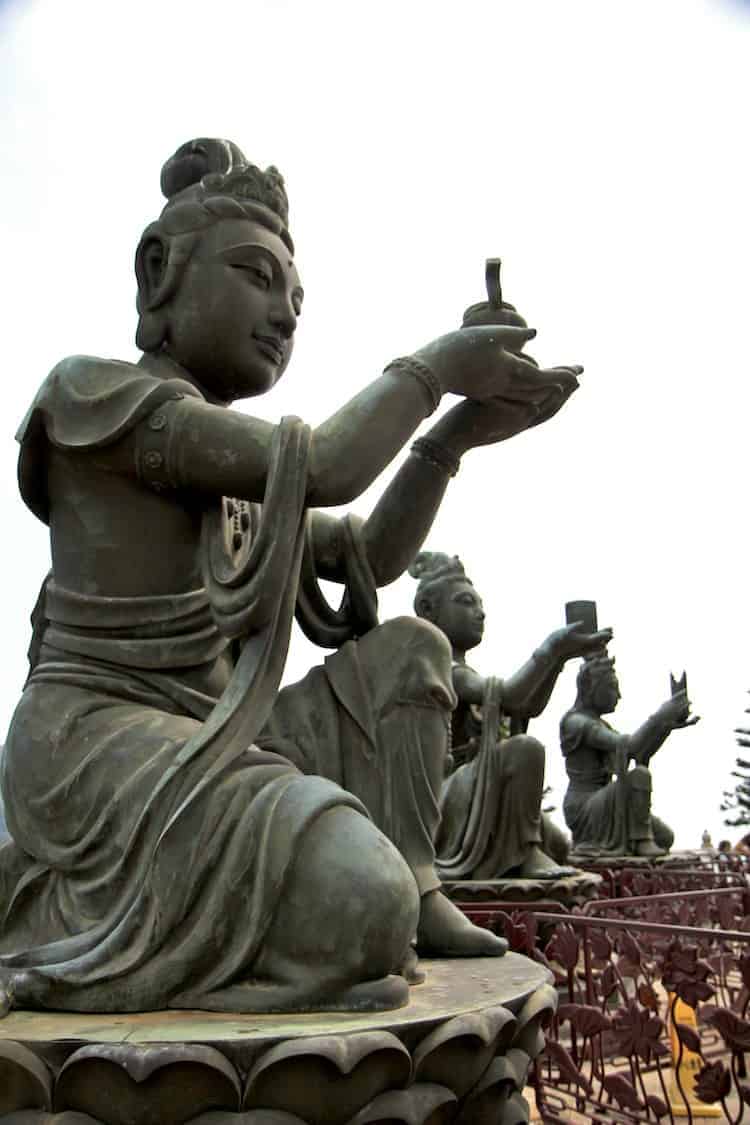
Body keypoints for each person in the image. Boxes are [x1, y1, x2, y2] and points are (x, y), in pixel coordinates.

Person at [0, 138, 582, 1014]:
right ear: (160, 272)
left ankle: (421, 884)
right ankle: (76, 917)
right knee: (357, 902)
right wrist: (432, 371)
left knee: (413, 647)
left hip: (225, 727)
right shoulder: (99, 400)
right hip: (98, 739)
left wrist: (451, 436)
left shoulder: (242, 479)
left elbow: (372, 551)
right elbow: (331, 465)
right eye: (256, 276)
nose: (285, 314)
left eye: (297, 298)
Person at [410, 553, 610, 880]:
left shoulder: (464, 673)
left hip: (477, 789)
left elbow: (523, 707)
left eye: (480, 604)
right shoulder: (435, 667)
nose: (481, 612)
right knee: (525, 749)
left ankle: (531, 855)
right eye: (466, 602)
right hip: (440, 798)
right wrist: (552, 649)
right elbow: (511, 695)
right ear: (428, 609)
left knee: (558, 843)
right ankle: (525, 853)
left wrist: (558, 662)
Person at [560, 653, 696, 857]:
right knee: (639, 775)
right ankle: (641, 840)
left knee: (666, 837)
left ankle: (644, 838)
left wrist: (666, 726)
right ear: (592, 688)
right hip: (585, 806)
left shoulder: (600, 724)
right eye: (612, 688)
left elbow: (639, 752)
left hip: (607, 799)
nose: (619, 695)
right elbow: (630, 746)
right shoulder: (576, 723)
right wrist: (661, 715)